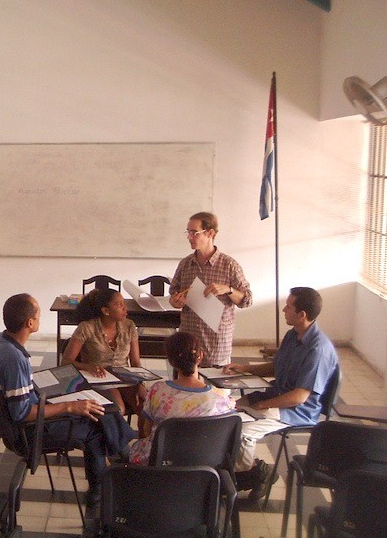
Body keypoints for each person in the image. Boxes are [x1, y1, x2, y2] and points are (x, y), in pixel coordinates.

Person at [0, 294, 132, 506]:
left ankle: (123, 452)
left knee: (97, 406)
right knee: (95, 426)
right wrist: (69, 406)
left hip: (15, 420)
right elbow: (22, 414)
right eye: (38, 314)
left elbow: (18, 394)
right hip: (29, 431)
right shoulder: (15, 359)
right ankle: (101, 489)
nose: (40, 318)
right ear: (30, 323)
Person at [223, 286, 339, 500]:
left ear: (302, 314)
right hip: (275, 397)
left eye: (288, 306)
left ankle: (253, 477)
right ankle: (253, 470)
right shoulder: (293, 335)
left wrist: (262, 405)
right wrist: (244, 368)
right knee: (225, 413)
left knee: (244, 432)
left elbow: (299, 397)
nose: (284, 310)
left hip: (295, 410)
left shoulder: (318, 350)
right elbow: (276, 367)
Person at [128, 331, 235, 465]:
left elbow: (147, 430)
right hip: (204, 464)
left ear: (170, 361)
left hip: (161, 464)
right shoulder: (220, 397)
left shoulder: (158, 391)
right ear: (200, 355)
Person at [169, 212, 252, 366]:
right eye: (188, 232)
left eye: (194, 233)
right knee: (186, 379)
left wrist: (228, 289)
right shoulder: (185, 264)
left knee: (215, 381)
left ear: (210, 233)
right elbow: (174, 292)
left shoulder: (229, 265)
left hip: (216, 342)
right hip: (188, 341)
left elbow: (247, 300)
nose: (189, 237)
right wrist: (175, 301)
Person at [61, 288, 146, 415]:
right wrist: (88, 367)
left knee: (146, 405)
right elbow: (66, 362)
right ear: (105, 311)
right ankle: (118, 428)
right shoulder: (86, 328)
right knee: (118, 409)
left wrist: (140, 384)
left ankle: (142, 429)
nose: (125, 308)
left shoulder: (129, 326)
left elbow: (135, 362)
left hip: (124, 378)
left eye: (124, 303)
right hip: (100, 379)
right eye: (119, 304)